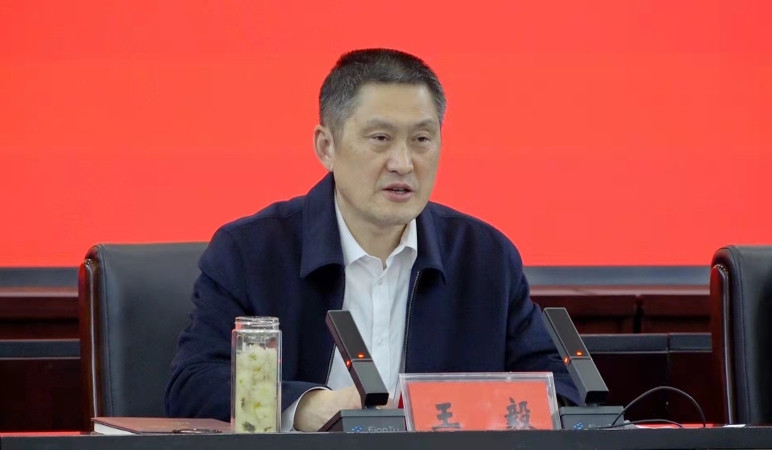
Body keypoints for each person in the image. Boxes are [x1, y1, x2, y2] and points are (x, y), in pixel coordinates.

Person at [164, 48, 579, 432]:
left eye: (421, 139)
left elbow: (560, 389)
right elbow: (194, 384)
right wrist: (309, 408)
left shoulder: (485, 257)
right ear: (326, 147)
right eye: (380, 138)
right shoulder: (251, 252)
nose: (403, 163)